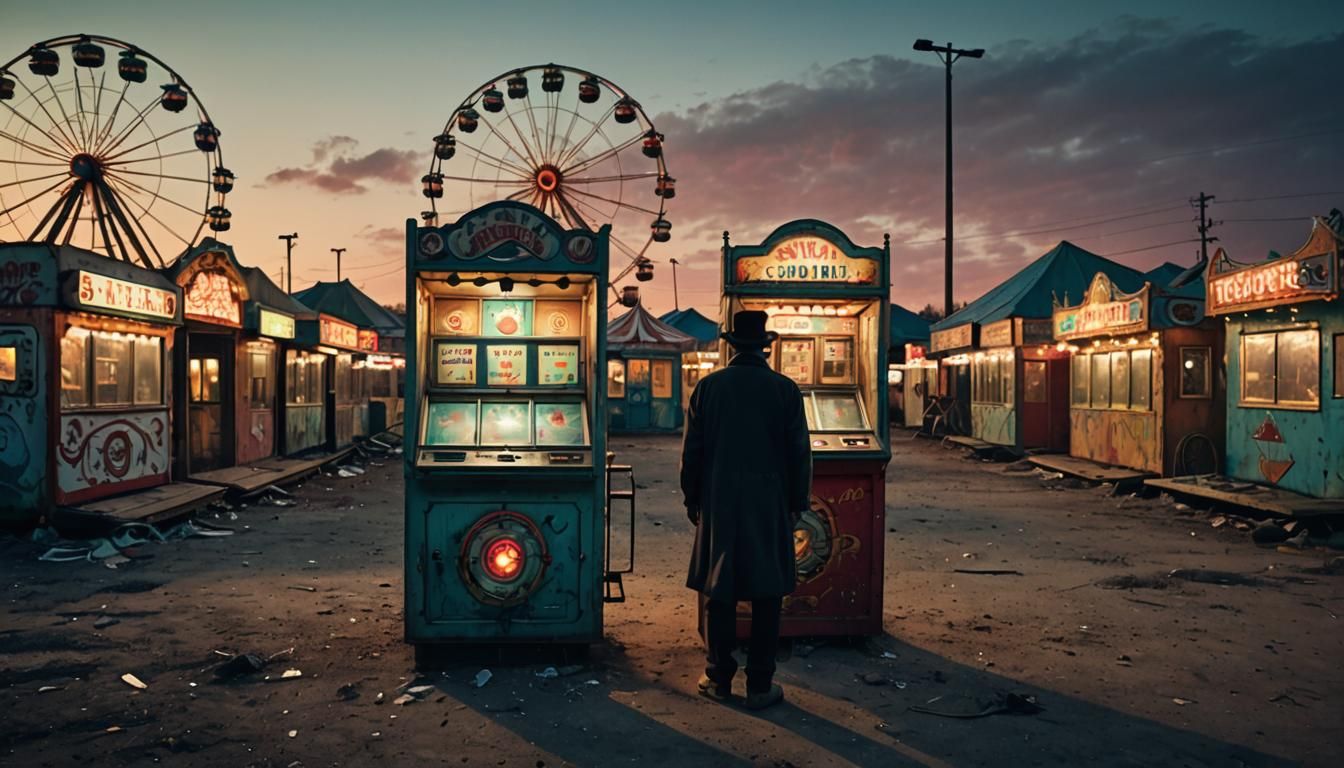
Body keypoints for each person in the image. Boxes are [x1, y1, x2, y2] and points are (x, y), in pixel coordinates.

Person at [680, 309, 812, 710]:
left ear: (731, 345)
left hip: (719, 503)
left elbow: (693, 455)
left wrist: (693, 499)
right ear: (765, 348)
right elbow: (799, 455)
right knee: (767, 593)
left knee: (720, 591)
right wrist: (795, 504)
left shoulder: (708, 388)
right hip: (769, 504)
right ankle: (760, 685)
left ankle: (718, 678)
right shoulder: (785, 390)